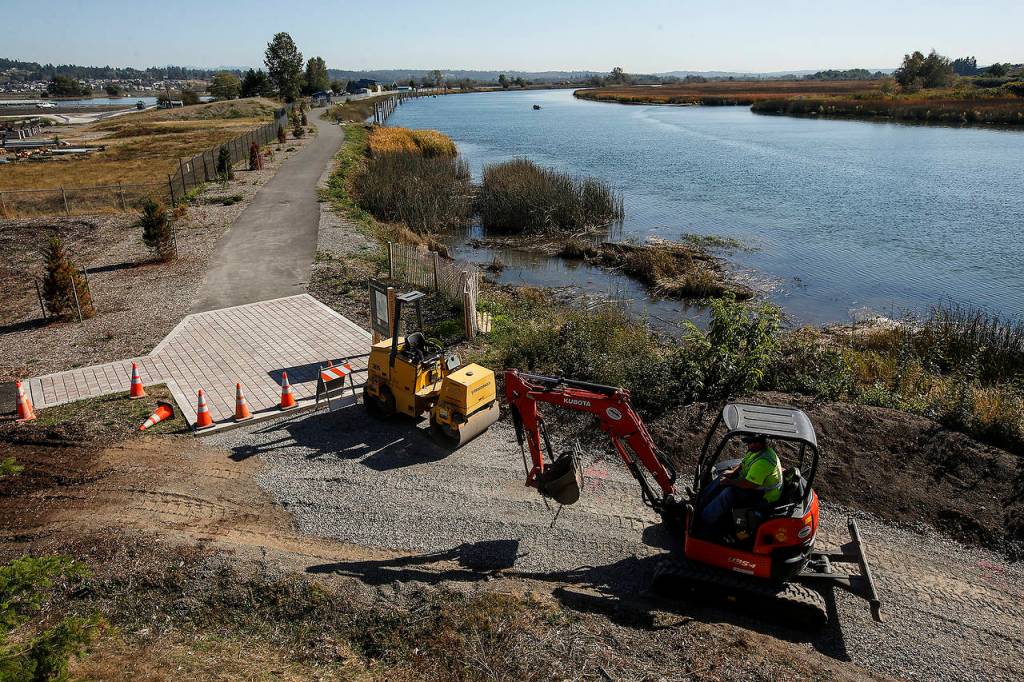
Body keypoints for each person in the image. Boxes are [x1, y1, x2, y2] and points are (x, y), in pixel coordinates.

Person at [699, 434, 783, 535]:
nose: (748, 445)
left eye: (750, 443)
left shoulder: (763, 462)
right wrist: (732, 472)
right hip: (754, 486)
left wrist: (730, 482)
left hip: (763, 497)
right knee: (723, 476)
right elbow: (744, 463)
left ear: (758, 443)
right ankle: (700, 501)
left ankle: (703, 520)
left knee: (728, 493)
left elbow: (750, 484)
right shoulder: (756, 452)